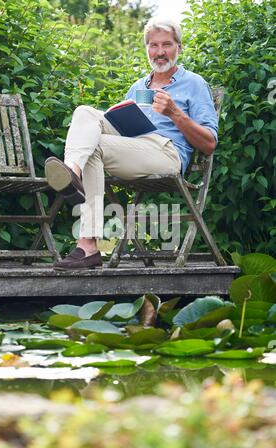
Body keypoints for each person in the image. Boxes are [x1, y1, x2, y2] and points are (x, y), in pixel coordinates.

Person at [45, 16, 218, 270]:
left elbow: (209, 143)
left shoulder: (194, 83)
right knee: (84, 112)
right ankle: (86, 234)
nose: (160, 52)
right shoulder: (139, 86)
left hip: (167, 154)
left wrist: (174, 113)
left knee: (96, 145)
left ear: (179, 48)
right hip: (135, 148)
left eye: (167, 45)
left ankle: (74, 189)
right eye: (153, 45)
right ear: (147, 48)